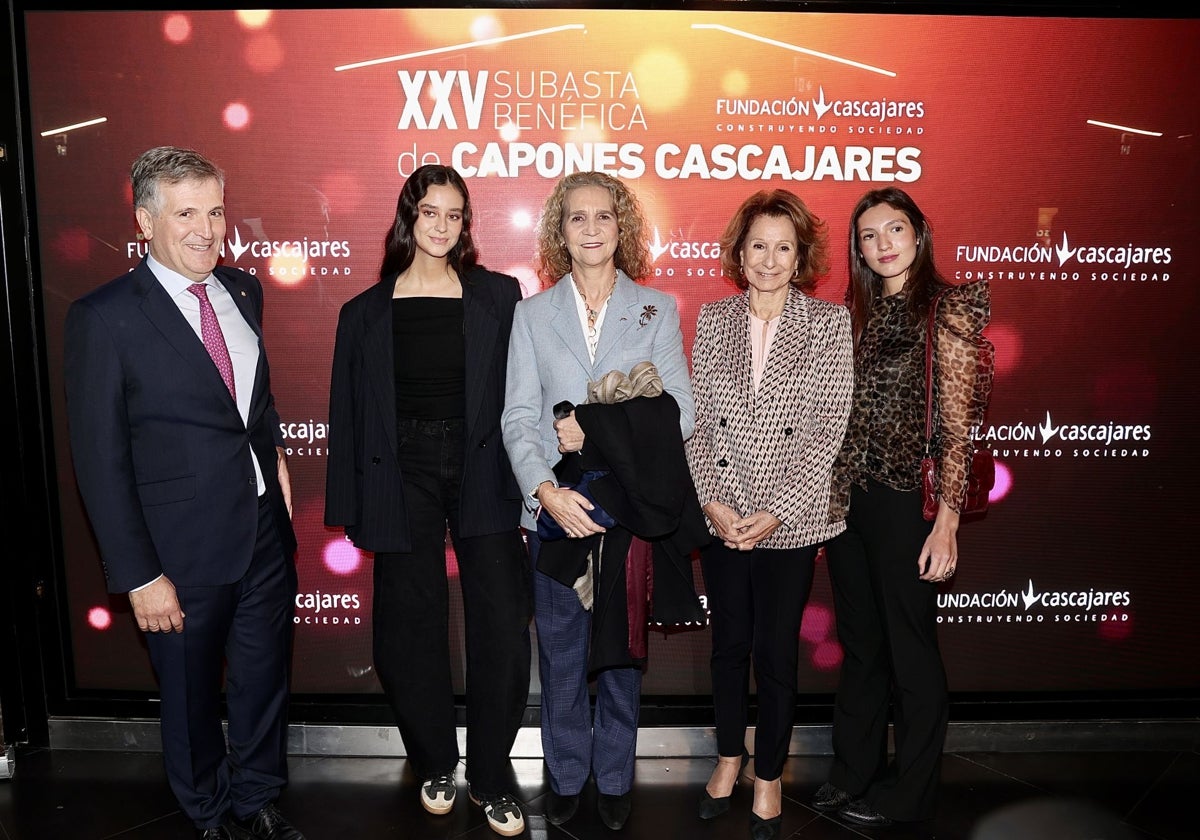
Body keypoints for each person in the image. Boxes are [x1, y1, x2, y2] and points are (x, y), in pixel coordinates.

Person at [63, 146, 303, 840]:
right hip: (178, 549)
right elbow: (99, 463)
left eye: (216, 210)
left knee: (261, 681)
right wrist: (139, 576)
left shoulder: (243, 290)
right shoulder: (103, 317)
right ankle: (207, 813)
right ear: (145, 220)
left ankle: (256, 800)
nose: (206, 229)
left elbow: (252, 403)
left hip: (262, 530)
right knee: (192, 698)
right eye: (186, 212)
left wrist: (277, 459)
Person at [324, 164, 531, 837]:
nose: (442, 226)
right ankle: (436, 761)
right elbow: (349, 417)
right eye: (430, 212)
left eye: (454, 214)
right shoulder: (363, 314)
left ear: (467, 223)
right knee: (408, 628)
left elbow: (524, 394)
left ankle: (494, 776)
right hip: (401, 473)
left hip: (484, 467)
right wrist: (352, 506)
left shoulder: (501, 297)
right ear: (408, 217)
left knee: (501, 623)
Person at [501, 171, 698, 831]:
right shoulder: (530, 314)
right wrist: (545, 491)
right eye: (577, 217)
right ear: (560, 229)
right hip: (557, 513)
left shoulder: (655, 309)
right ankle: (565, 776)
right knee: (559, 653)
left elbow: (684, 414)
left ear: (622, 229)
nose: (591, 229)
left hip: (628, 514)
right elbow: (518, 418)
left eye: (604, 218)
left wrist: (598, 429)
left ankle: (614, 777)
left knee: (619, 654)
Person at [814, 187, 994, 828]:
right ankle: (852, 772)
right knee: (862, 646)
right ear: (858, 247)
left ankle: (909, 793)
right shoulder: (852, 314)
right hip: (848, 500)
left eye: (896, 228)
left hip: (903, 502)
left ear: (920, 233)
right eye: (869, 234)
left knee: (911, 649)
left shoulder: (947, 309)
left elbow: (959, 424)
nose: (884, 243)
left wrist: (947, 521)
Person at [685, 189, 854, 840]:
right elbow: (696, 425)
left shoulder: (828, 325)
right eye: (759, 244)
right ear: (740, 250)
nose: (770, 258)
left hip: (793, 518)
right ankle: (729, 756)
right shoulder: (714, 318)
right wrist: (710, 500)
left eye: (784, 246)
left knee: (775, 653)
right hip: (724, 515)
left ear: (801, 255)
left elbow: (827, 431)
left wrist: (777, 512)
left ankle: (769, 775)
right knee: (728, 648)